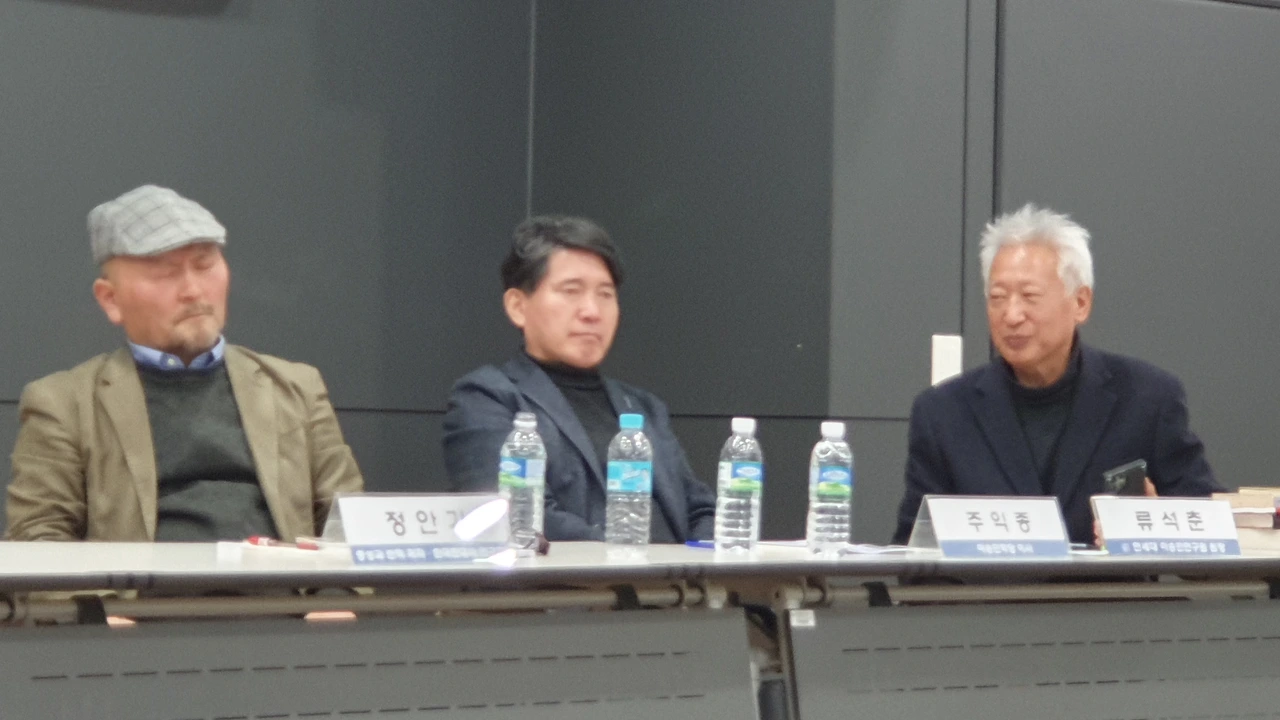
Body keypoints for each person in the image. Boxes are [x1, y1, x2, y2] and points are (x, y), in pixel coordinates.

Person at [6, 185, 363, 542]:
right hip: (140, 581)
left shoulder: (296, 388)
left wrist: (329, 580)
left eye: (205, 265)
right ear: (111, 299)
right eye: (165, 273)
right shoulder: (65, 405)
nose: (193, 290)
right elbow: (38, 539)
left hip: (279, 578)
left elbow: (351, 526)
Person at [892, 204, 1221, 545]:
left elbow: (1211, 534)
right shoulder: (943, 414)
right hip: (993, 583)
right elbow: (912, 553)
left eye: (1029, 296)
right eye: (997, 298)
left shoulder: (1148, 399)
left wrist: (1156, 527)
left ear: (1080, 303)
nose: (1011, 315)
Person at [443, 215, 715, 542]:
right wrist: (632, 560)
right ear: (518, 306)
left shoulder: (643, 407)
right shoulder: (488, 399)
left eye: (605, 294)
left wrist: (706, 560)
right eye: (571, 291)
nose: (592, 312)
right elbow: (519, 518)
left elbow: (700, 509)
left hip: (677, 574)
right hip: (579, 576)